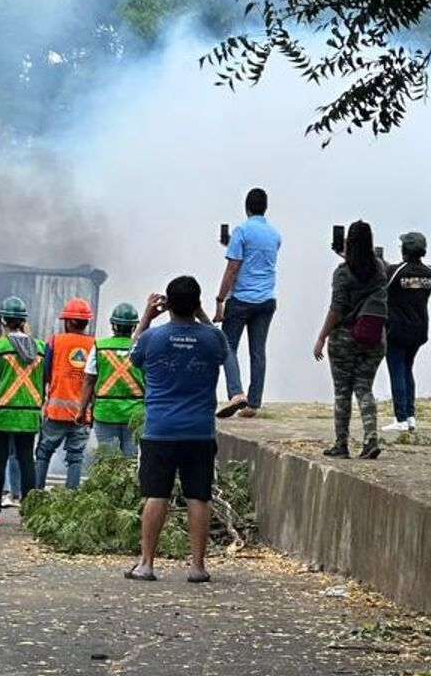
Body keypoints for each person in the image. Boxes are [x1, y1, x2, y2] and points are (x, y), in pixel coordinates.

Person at [125, 276, 228, 583]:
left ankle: (146, 564)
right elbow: (222, 347)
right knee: (199, 496)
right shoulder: (212, 339)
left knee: (156, 495)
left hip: (160, 429)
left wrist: (146, 315)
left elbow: (133, 356)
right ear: (197, 304)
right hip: (199, 430)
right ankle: (197, 566)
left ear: (167, 304)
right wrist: (202, 315)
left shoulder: (153, 338)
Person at [314, 221, 388, 460]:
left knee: (342, 391)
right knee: (364, 388)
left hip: (344, 336)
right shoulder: (379, 268)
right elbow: (367, 265)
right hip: (374, 336)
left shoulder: (342, 273)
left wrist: (322, 336)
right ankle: (370, 439)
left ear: (348, 243)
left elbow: (336, 308)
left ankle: (341, 443)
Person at [215, 187, 281, 418]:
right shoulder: (275, 234)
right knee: (258, 350)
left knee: (227, 345)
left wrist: (220, 299)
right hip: (266, 299)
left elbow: (233, 267)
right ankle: (253, 403)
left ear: (246, 207)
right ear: (265, 207)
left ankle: (236, 393)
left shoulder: (241, 231)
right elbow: (258, 259)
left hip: (241, 299)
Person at [0, 295, 43, 526]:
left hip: (2, 413)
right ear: (22, 320)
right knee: (27, 460)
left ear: (3, 321)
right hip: (29, 413)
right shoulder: (40, 348)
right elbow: (44, 380)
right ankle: (29, 515)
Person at [34, 297, 96, 489]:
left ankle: (36, 496)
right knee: (75, 458)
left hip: (56, 412)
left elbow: (45, 373)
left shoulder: (55, 341)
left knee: (44, 452)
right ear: (86, 322)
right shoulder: (95, 345)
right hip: (82, 413)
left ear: (68, 321)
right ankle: (70, 500)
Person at [382, 233, 431, 433]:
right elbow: (409, 280)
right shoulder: (430, 272)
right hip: (419, 328)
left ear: (404, 249)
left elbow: (386, 281)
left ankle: (401, 418)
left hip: (397, 328)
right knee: (407, 369)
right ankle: (410, 416)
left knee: (396, 370)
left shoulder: (395, 272)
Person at [89, 303, 145, 458]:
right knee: (131, 461)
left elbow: (89, 380)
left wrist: (82, 410)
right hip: (135, 413)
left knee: (108, 460)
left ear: (113, 325)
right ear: (134, 327)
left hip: (105, 412)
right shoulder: (142, 347)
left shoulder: (100, 347)